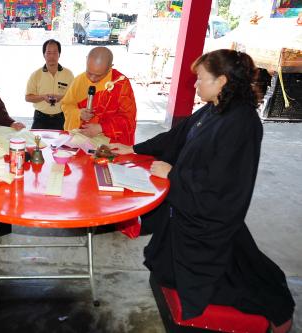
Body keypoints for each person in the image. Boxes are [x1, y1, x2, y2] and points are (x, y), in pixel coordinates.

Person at [109, 49, 295, 333]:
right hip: (187, 211)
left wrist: (173, 174)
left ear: (221, 81)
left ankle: (275, 315)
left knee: (215, 285)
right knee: (162, 268)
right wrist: (133, 149)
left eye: (200, 79)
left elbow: (222, 182)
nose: (195, 85)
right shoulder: (214, 108)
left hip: (210, 221)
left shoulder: (242, 122)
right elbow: (175, 137)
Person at [61, 46, 136, 145]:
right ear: (86, 61)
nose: (92, 78)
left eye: (98, 75)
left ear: (110, 68)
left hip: (109, 144)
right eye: (89, 72)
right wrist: (78, 113)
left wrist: (102, 128)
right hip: (82, 141)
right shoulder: (79, 80)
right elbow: (67, 105)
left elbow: (128, 119)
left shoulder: (120, 84)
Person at [25, 39, 74, 130]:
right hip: (40, 119)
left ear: (59, 54)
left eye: (55, 52)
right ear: (44, 55)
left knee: (62, 144)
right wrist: (43, 97)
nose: (52, 56)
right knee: (37, 143)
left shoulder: (68, 74)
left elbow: (73, 97)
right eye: (48, 52)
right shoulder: (36, 75)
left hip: (61, 118)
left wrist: (61, 98)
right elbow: (28, 97)